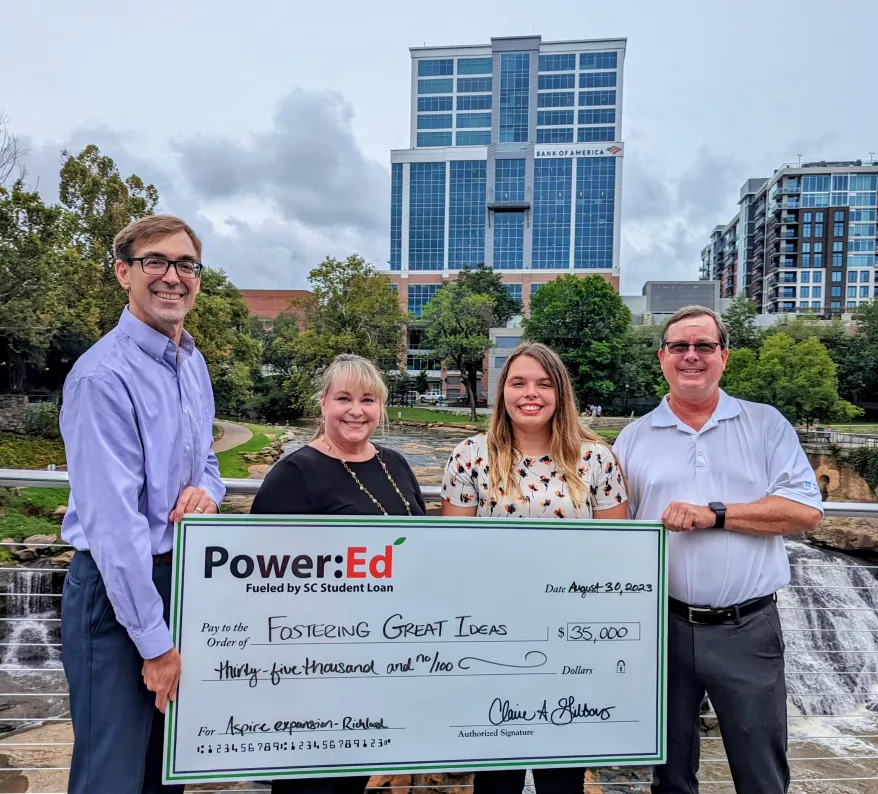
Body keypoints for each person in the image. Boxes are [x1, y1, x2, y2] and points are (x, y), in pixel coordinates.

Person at [612, 306, 823, 794]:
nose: (692, 356)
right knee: (670, 775)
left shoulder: (765, 424)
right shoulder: (632, 438)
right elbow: (614, 533)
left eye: (704, 346)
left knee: (761, 773)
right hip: (661, 628)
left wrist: (716, 513)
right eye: (680, 347)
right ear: (662, 357)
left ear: (723, 356)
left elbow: (805, 512)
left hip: (747, 628)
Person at [59, 215, 224, 794]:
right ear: (124, 272)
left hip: (179, 584)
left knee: (166, 775)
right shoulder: (101, 378)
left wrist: (209, 493)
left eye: (186, 264)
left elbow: (207, 462)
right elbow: (114, 530)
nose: (173, 277)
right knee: (112, 777)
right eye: (156, 262)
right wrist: (156, 645)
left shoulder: (193, 362)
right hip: (115, 595)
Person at [441, 341, 628, 794]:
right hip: (491, 642)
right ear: (502, 390)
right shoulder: (469, 456)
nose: (532, 393)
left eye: (544, 384)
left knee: (562, 779)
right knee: (495, 777)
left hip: (572, 642)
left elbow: (618, 556)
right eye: (519, 382)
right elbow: (452, 554)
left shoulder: (596, 459)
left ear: (560, 393)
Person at [250, 353, 427, 794]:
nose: (356, 410)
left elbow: (424, 552)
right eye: (344, 398)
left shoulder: (397, 464)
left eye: (368, 399)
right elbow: (257, 575)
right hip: (311, 669)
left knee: (350, 781)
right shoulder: (293, 473)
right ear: (324, 402)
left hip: (379, 660)